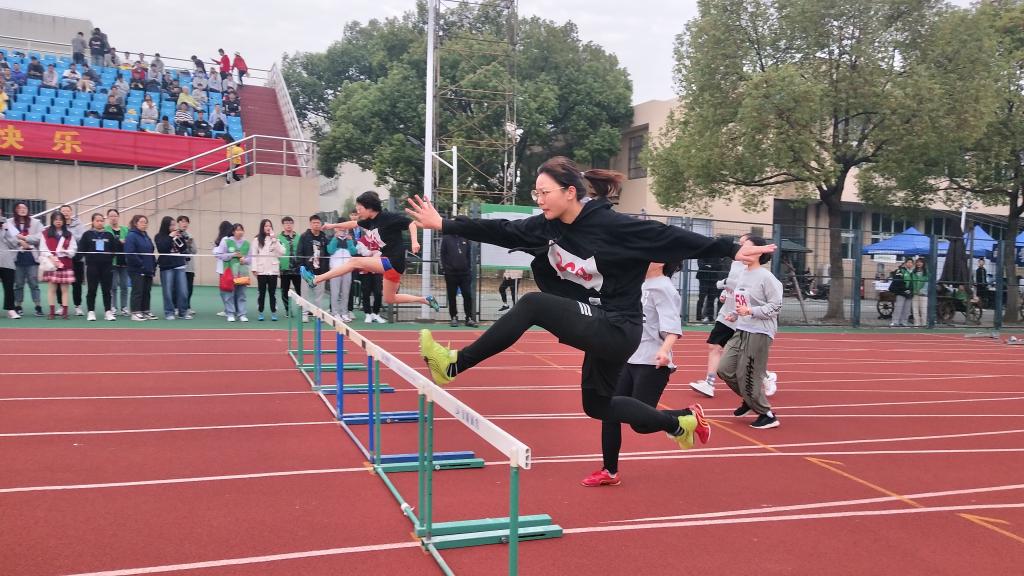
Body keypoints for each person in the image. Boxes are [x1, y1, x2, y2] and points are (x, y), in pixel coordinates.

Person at [407, 156, 774, 451]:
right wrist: (445, 224)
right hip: (600, 322)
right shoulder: (548, 226)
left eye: (544, 192)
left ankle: (454, 365)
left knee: (533, 304)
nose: (539, 200)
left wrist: (729, 248)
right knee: (597, 406)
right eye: (536, 193)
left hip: (620, 326)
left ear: (570, 192)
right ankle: (681, 423)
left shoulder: (614, 226)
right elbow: (502, 230)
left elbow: (667, 235)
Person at [583, 260, 688, 487]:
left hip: (652, 363)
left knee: (641, 424)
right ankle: (610, 471)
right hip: (626, 358)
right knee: (608, 411)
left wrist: (664, 351)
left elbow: (672, 328)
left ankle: (686, 414)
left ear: (661, 262)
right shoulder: (635, 284)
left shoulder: (664, 288)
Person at [301, 191, 441, 314]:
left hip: (393, 261)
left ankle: (316, 279)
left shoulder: (387, 217)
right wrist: (333, 225)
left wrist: (415, 242)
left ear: (369, 208)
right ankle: (425, 300)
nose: (358, 212)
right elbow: (353, 224)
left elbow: (411, 224)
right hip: (389, 264)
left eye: (360, 208)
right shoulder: (370, 221)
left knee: (354, 261)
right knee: (390, 298)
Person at [690, 234, 778, 399]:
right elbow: (734, 284)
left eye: (745, 244)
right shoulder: (736, 263)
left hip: (744, 319)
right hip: (728, 314)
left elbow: (738, 286)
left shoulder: (759, 273)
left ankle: (766, 377)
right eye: (740, 243)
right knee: (714, 346)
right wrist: (726, 292)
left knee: (742, 356)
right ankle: (709, 383)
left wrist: (722, 285)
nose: (740, 246)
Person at [717, 236, 783, 429]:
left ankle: (767, 415)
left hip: (760, 332)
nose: (742, 251)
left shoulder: (767, 278)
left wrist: (751, 311)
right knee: (724, 369)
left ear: (758, 252)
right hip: (741, 329)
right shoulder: (743, 274)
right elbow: (742, 302)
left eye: (746, 247)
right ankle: (750, 399)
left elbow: (776, 306)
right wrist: (734, 314)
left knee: (749, 375)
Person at [78, 212, 121, 321]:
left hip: (106, 266)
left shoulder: (109, 235)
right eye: (97, 220)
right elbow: (81, 249)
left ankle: (108, 312)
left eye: (102, 220)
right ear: (92, 222)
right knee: (92, 289)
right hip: (92, 266)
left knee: (107, 290)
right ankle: (91, 311)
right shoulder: (87, 234)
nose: (100, 222)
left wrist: (108, 258)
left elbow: (114, 250)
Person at [39, 211, 77, 320]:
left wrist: (66, 251)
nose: (58, 221)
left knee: (65, 289)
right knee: (52, 289)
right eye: (56, 219)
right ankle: (51, 313)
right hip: (52, 264)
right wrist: (51, 257)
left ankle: (65, 313)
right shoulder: (45, 233)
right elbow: (43, 248)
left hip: (65, 263)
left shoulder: (69, 234)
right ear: (52, 221)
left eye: (60, 219)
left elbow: (73, 249)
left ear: (64, 221)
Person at [7, 202, 44, 317]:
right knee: (18, 284)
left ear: (28, 210)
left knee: (34, 284)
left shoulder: (36, 222)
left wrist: (25, 238)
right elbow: (8, 238)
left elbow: (40, 236)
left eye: (24, 208)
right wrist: (19, 242)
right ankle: (18, 306)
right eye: (19, 208)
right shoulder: (9, 222)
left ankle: (38, 306)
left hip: (31, 257)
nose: (22, 209)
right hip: (16, 258)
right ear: (15, 210)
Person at [154, 216, 190, 320]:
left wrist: (180, 238)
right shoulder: (159, 236)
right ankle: (169, 312)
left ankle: (183, 312)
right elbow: (162, 249)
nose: (174, 227)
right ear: (166, 225)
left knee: (183, 290)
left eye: (174, 225)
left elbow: (183, 248)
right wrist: (170, 237)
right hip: (167, 266)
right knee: (168, 291)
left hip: (179, 265)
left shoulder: (177, 235)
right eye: (171, 225)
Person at [215, 223, 251, 322]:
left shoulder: (247, 243)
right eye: (237, 230)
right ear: (233, 232)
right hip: (229, 271)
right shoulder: (226, 241)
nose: (240, 232)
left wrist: (245, 260)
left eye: (241, 230)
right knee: (229, 293)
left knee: (241, 294)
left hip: (242, 272)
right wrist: (232, 255)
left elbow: (250, 258)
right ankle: (230, 313)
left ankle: (242, 314)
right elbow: (220, 255)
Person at [297, 215, 329, 321]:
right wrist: (302, 267)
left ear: (321, 224)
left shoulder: (324, 237)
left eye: (318, 223)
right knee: (305, 294)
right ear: (310, 224)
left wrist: (326, 270)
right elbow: (299, 252)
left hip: (320, 270)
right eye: (314, 223)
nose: (316, 225)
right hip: (307, 270)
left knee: (319, 294)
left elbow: (327, 254)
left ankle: (318, 314)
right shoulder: (304, 236)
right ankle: (304, 314)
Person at [440, 231, 476, 327]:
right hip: (450, 274)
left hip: (465, 273)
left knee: (467, 295)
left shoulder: (465, 238)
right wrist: (445, 269)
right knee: (452, 296)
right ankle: (453, 317)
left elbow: (468, 255)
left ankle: (469, 318)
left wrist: (468, 269)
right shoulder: (446, 238)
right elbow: (442, 255)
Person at [251, 219, 285, 321]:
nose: (268, 227)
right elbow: (254, 255)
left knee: (272, 293)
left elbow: (282, 252)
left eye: (269, 226)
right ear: (262, 227)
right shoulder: (256, 240)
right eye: (266, 226)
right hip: (261, 271)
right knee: (261, 293)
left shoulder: (276, 239)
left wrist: (275, 240)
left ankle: (273, 312)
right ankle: (260, 312)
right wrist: (254, 269)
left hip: (273, 271)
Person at [124, 215, 156, 321]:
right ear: (135, 223)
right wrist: (140, 264)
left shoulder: (146, 235)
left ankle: (145, 310)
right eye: (142, 222)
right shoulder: (131, 236)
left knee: (146, 291)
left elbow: (151, 251)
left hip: (148, 269)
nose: (144, 224)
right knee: (137, 290)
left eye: (146, 222)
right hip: (136, 269)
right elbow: (130, 253)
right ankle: (135, 312)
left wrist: (152, 264)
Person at [326, 220, 355, 323]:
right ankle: (335, 313)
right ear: (335, 228)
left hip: (347, 269)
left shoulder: (350, 238)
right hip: (335, 270)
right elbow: (330, 250)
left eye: (344, 227)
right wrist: (335, 238)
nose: (342, 229)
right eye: (339, 227)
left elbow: (353, 251)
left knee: (345, 292)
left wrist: (350, 241)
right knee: (335, 292)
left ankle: (344, 313)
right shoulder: (330, 238)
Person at [105, 209, 130, 315]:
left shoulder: (125, 229)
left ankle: (124, 307)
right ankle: (113, 307)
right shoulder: (105, 229)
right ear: (108, 217)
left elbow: (129, 242)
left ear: (118, 216)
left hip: (124, 261)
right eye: (111, 216)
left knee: (124, 286)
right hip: (112, 262)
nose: (113, 218)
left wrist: (125, 242)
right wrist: (118, 241)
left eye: (115, 215)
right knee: (113, 286)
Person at [278, 216, 302, 317]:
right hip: (284, 269)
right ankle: (288, 310)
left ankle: (302, 309)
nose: (288, 225)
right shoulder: (278, 238)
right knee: (285, 290)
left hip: (297, 269)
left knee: (299, 290)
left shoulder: (299, 237)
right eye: (286, 223)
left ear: (293, 224)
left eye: (290, 223)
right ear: (283, 225)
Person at [0, 212, 20, 318]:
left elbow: (14, 243)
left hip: (6, 260)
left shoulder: (7, 225)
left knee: (9, 286)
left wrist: (6, 231)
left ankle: (11, 309)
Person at [177, 215, 197, 315]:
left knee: (189, 288)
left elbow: (194, 251)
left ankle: (187, 306)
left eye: (186, 222)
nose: (184, 224)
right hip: (178, 265)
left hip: (189, 266)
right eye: (182, 221)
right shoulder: (175, 234)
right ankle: (177, 307)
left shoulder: (190, 236)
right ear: (178, 223)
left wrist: (190, 244)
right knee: (179, 288)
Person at [889, 258, 914, 327]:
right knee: (898, 307)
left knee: (907, 309)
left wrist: (911, 290)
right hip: (901, 292)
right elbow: (898, 281)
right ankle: (895, 322)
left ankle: (904, 322)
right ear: (905, 263)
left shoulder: (913, 272)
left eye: (911, 263)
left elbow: (913, 283)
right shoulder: (900, 271)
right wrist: (905, 289)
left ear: (913, 264)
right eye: (908, 262)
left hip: (909, 293)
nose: (909, 264)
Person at [695, 256, 720, 323]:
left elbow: (718, 266)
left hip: (713, 279)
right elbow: (701, 265)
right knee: (701, 298)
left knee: (711, 298)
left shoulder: (716, 256)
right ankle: (698, 317)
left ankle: (710, 317)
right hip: (703, 278)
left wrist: (708, 265)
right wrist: (711, 266)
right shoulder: (703, 254)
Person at [911, 258, 929, 328]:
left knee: (923, 310)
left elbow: (928, 283)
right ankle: (916, 324)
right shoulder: (913, 272)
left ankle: (924, 323)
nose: (919, 263)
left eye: (920, 262)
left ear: (923, 263)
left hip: (923, 294)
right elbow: (912, 283)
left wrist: (922, 291)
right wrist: (914, 291)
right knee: (915, 309)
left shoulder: (926, 272)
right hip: (915, 293)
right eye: (917, 262)